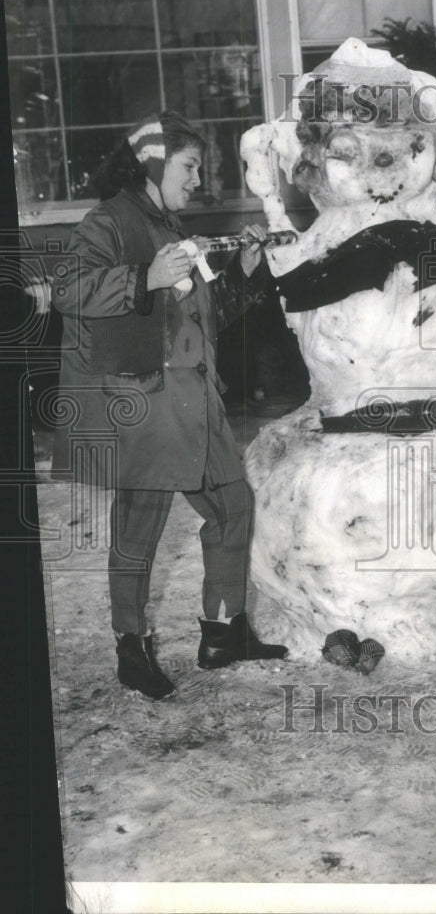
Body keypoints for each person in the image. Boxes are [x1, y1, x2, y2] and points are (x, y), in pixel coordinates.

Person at [50, 111, 288, 700]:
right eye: (189, 166)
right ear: (154, 163)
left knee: (232, 504)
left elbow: (203, 319)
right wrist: (144, 275)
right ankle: (132, 650)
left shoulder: (170, 225)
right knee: (140, 527)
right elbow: (68, 289)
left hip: (192, 400)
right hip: (144, 403)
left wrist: (245, 272)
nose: (198, 179)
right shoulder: (110, 220)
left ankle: (223, 633)